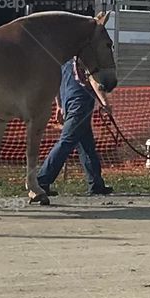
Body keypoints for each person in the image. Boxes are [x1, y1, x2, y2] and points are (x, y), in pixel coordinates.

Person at [37, 57, 114, 196]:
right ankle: (42, 181)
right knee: (66, 142)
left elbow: (57, 84)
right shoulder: (86, 58)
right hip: (80, 105)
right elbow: (94, 80)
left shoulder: (64, 60)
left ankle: (96, 184)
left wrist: (60, 105)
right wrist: (104, 102)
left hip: (69, 103)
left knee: (87, 146)